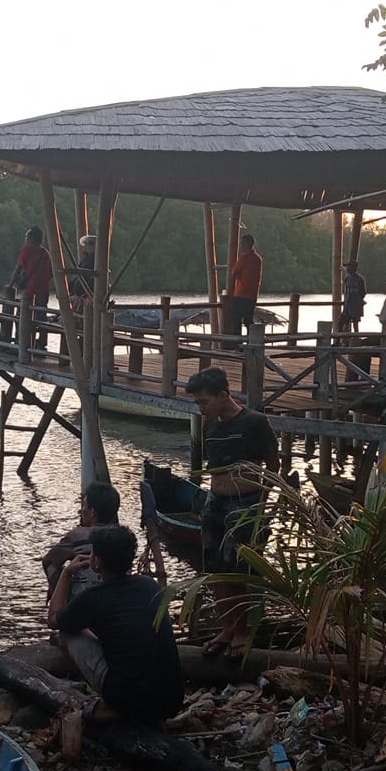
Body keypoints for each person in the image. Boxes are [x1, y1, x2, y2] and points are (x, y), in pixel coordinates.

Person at [185, 366, 278, 659]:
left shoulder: (254, 422)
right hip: (215, 500)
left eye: (205, 402)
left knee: (237, 569)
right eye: (198, 403)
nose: (202, 408)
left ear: (223, 395)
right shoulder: (210, 424)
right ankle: (226, 627)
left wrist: (261, 504)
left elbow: (273, 464)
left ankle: (241, 631)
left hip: (245, 502)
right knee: (214, 568)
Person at [48, 525, 184, 724]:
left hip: (128, 700)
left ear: (96, 561)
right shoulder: (149, 585)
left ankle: (110, 706)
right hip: (172, 700)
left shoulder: (94, 597)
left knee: (66, 634)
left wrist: (67, 573)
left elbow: (53, 620)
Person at [41, 480, 121, 601]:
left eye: (84, 506)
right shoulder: (122, 536)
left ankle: (61, 595)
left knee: (53, 565)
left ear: (92, 512)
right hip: (115, 595)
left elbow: (48, 560)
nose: (81, 511)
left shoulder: (77, 535)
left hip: (81, 598)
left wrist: (54, 587)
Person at [224, 232, 263, 337]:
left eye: (241, 243)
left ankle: (238, 345)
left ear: (246, 244)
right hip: (252, 295)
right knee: (248, 320)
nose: (240, 246)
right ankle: (252, 342)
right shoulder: (258, 259)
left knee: (236, 320)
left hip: (241, 294)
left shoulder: (244, 258)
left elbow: (234, 272)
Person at [339, 260, 367, 332]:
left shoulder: (357, 280)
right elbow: (363, 293)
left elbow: (363, 293)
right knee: (344, 323)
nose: (347, 268)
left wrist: (357, 300)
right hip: (349, 306)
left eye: (349, 267)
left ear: (353, 268)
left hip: (353, 306)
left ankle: (352, 340)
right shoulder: (349, 279)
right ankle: (344, 341)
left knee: (352, 324)